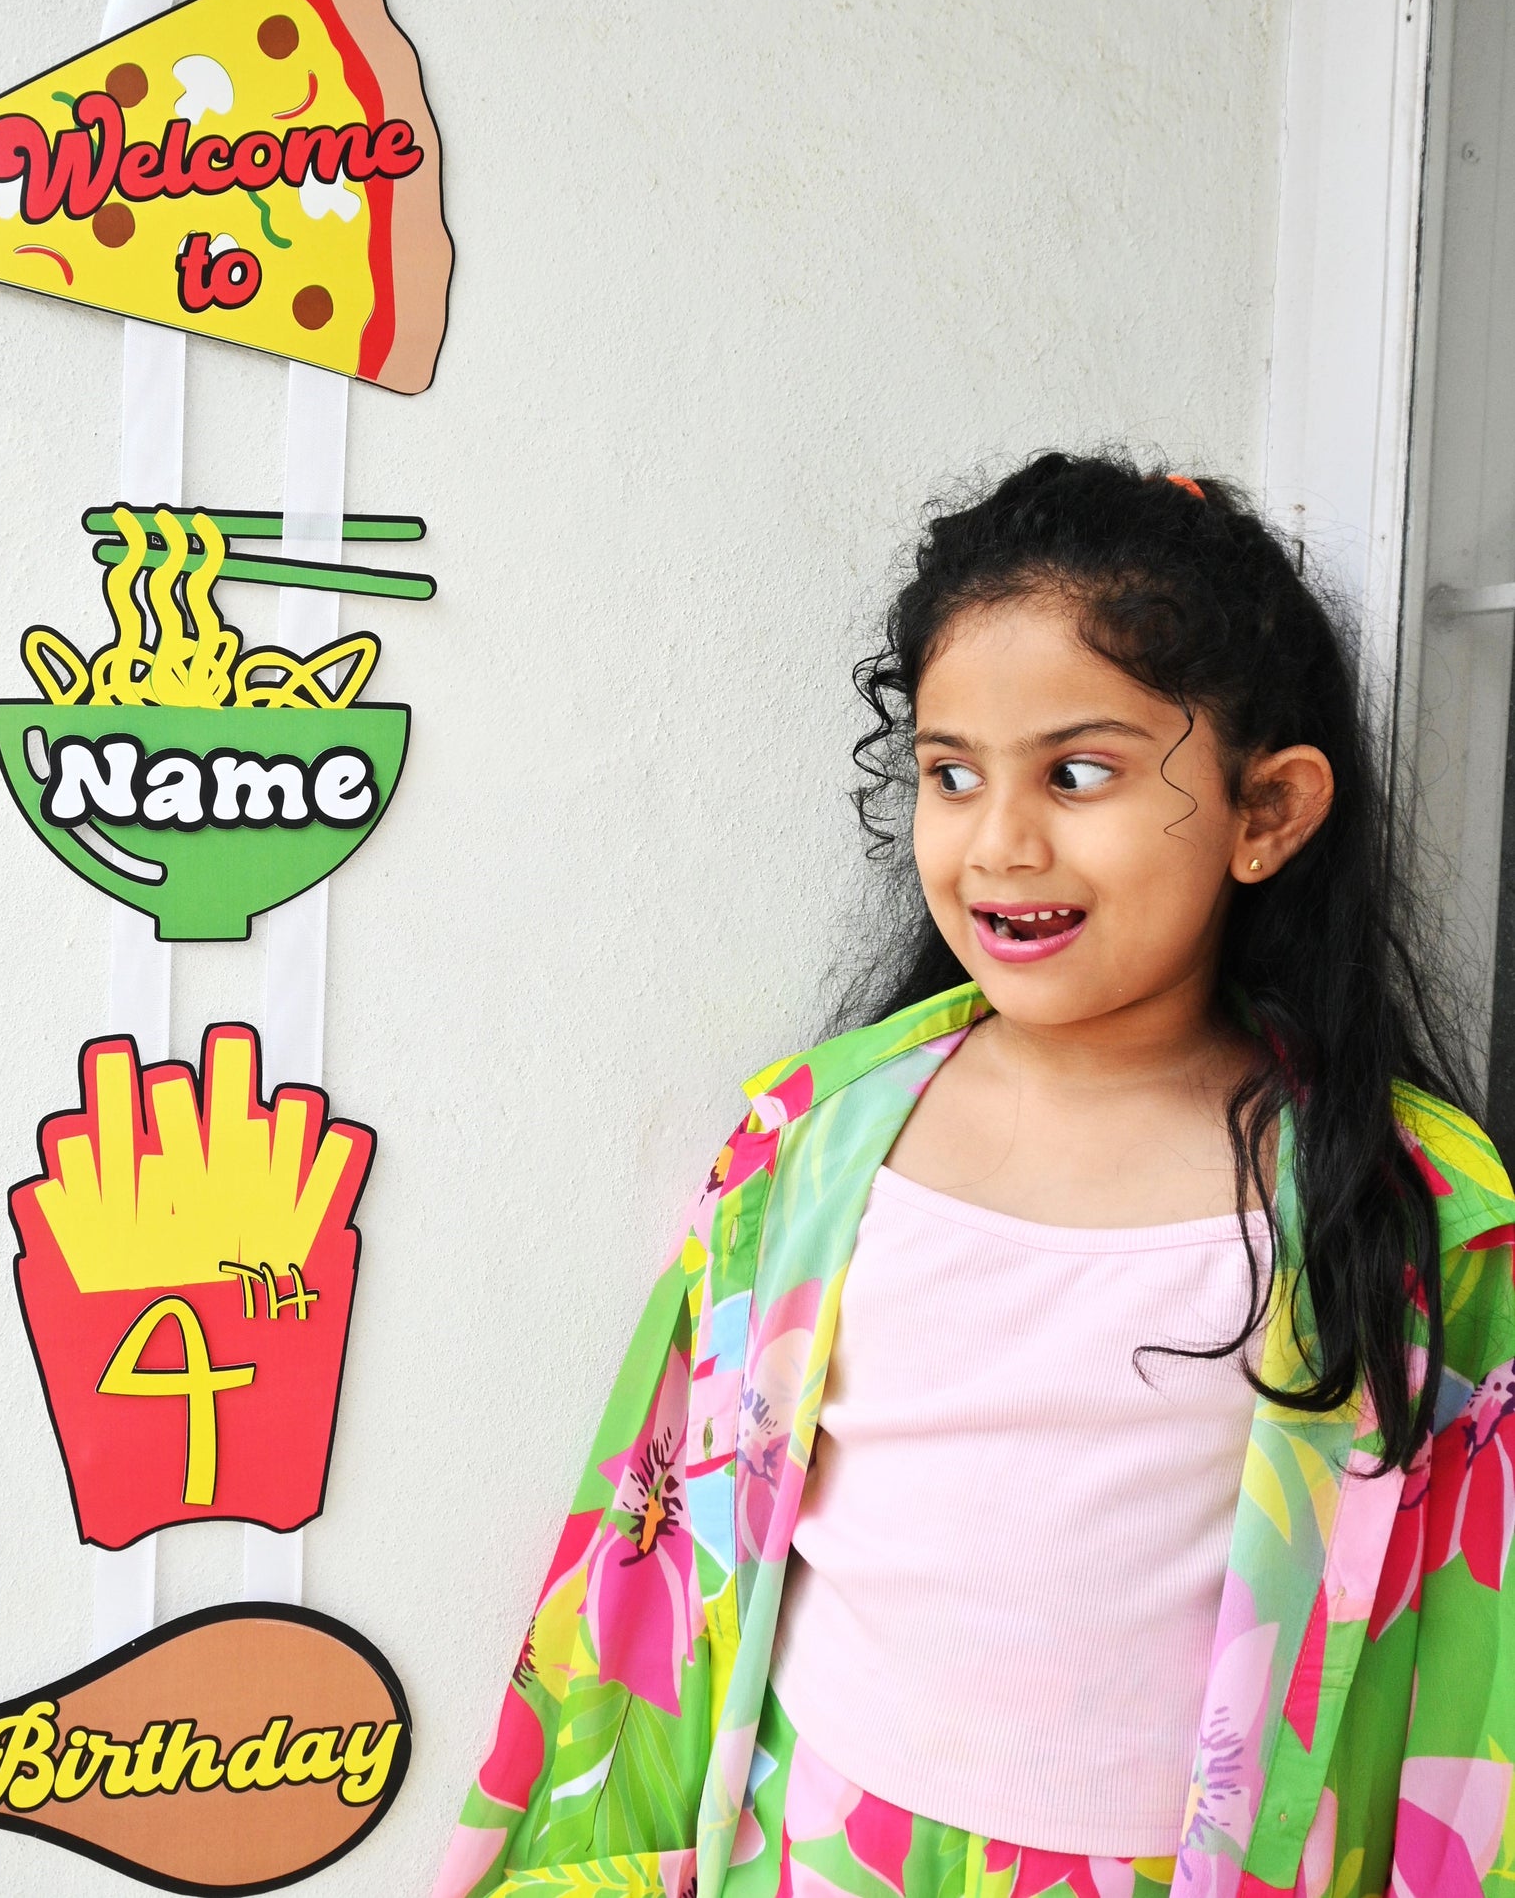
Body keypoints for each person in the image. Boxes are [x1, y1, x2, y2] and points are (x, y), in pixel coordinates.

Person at [432, 453, 1515, 1898]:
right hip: (813, 1849)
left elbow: (1470, 1667)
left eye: (1078, 773)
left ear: (1266, 812)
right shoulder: (811, 1144)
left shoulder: (1407, 1206)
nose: (1000, 841)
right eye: (951, 774)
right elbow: (657, 1554)